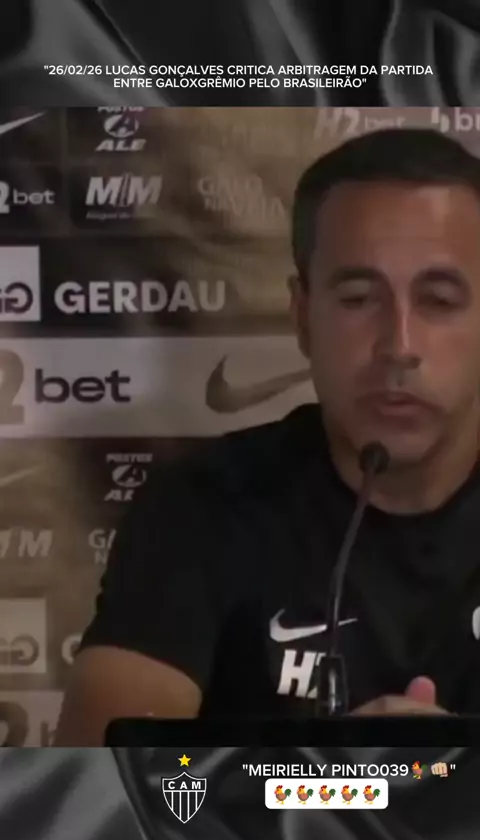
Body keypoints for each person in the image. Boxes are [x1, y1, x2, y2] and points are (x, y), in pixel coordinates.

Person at [55, 127, 480, 746]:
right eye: (358, 298)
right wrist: (334, 781)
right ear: (303, 318)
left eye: (438, 300)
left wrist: (439, 781)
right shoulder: (203, 505)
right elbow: (108, 778)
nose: (399, 345)